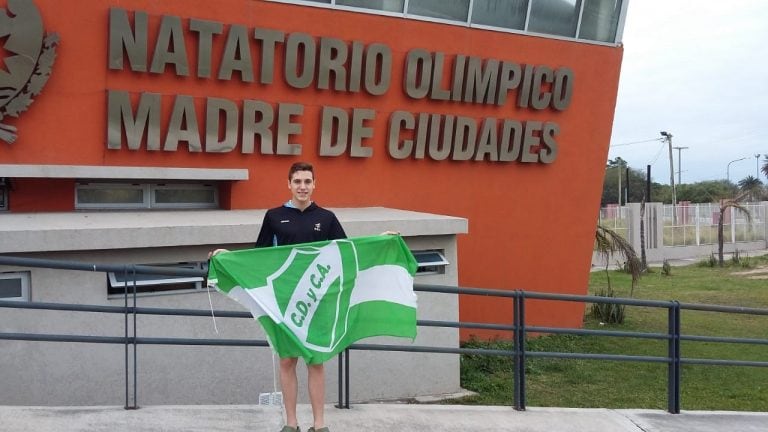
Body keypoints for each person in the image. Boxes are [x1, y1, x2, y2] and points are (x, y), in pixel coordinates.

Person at [212, 161, 343, 432]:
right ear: (289, 184)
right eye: (298, 182)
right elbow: (259, 257)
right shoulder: (274, 216)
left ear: (314, 184)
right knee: (287, 360)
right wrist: (229, 257)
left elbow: (347, 253)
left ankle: (319, 425)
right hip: (283, 300)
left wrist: (383, 239)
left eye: (307, 181)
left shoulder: (327, 218)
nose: (303, 187)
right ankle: (291, 424)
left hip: (316, 299)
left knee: (316, 361)